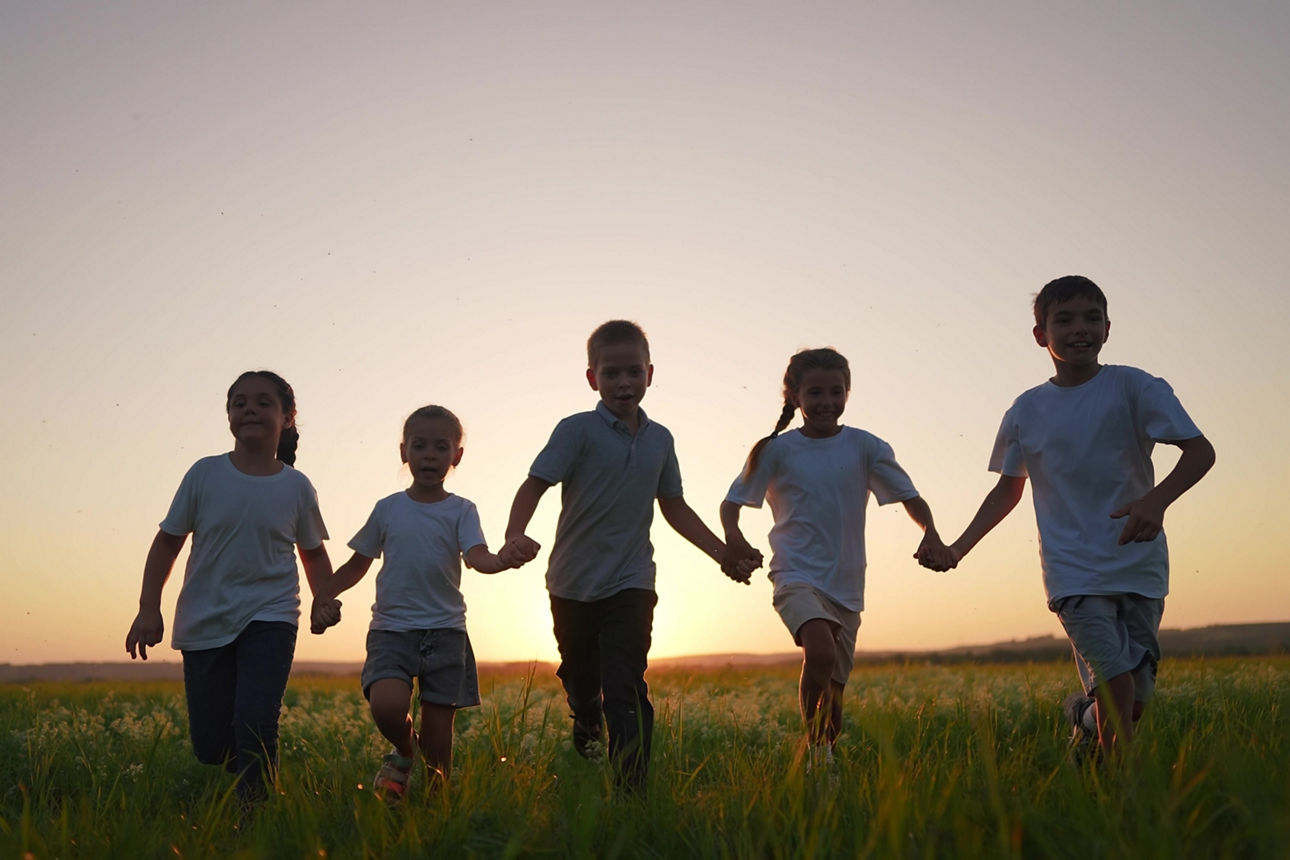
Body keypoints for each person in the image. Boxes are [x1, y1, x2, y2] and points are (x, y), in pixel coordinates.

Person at [936, 275, 1215, 761]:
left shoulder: (1134, 386)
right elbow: (1008, 488)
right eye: (1063, 319)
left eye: (1091, 318)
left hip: (1139, 564)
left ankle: (1083, 721)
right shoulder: (1026, 410)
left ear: (1108, 328)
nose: (1079, 328)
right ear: (1041, 334)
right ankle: (1116, 795)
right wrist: (959, 547)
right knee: (1118, 685)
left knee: (1135, 701)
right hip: (1072, 572)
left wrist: (1156, 501)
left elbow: (1199, 452)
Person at [498, 320, 757, 790]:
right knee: (581, 678)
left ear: (650, 374)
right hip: (571, 584)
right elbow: (534, 484)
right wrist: (515, 533)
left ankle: (630, 795)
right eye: (611, 372)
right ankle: (585, 715)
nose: (624, 382)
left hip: (632, 582)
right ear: (592, 378)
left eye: (633, 372)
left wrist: (721, 553)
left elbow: (674, 506)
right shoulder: (576, 431)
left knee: (626, 684)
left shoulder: (661, 440)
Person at [720, 347, 953, 769]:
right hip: (794, 575)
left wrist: (931, 533)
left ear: (848, 392)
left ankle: (825, 753)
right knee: (820, 653)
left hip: (847, 586)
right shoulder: (775, 450)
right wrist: (733, 539)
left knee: (836, 698)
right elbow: (733, 503)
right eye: (814, 393)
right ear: (793, 396)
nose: (826, 402)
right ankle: (812, 750)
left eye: (835, 391)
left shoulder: (866, 447)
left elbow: (910, 498)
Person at [124, 370, 334, 806]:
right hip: (206, 618)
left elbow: (312, 553)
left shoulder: (297, 487)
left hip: (272, 615)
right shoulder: (205, 474)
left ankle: (255, 817)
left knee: (256, 722)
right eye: (240, 403)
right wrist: (149, 608)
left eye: (263, 402)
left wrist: (323, 598)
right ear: (229, 417)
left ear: (288, 416)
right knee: (212, 746)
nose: (250, 409)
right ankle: (243, 770)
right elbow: (167, 542)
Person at [310, 405, 519, 802]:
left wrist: (504, 560)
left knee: (440, 737)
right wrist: (325, 593)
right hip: (392, 630)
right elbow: (358, 563)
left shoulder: (462, 510)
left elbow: (477, 557)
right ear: (403, 452)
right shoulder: (388, 509)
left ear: (456, 456)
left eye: (440, 447)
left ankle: (435, 808)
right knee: (387, 706)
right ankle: (405, 752)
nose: (428, 455)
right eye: (419, 446)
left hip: (446, 633)